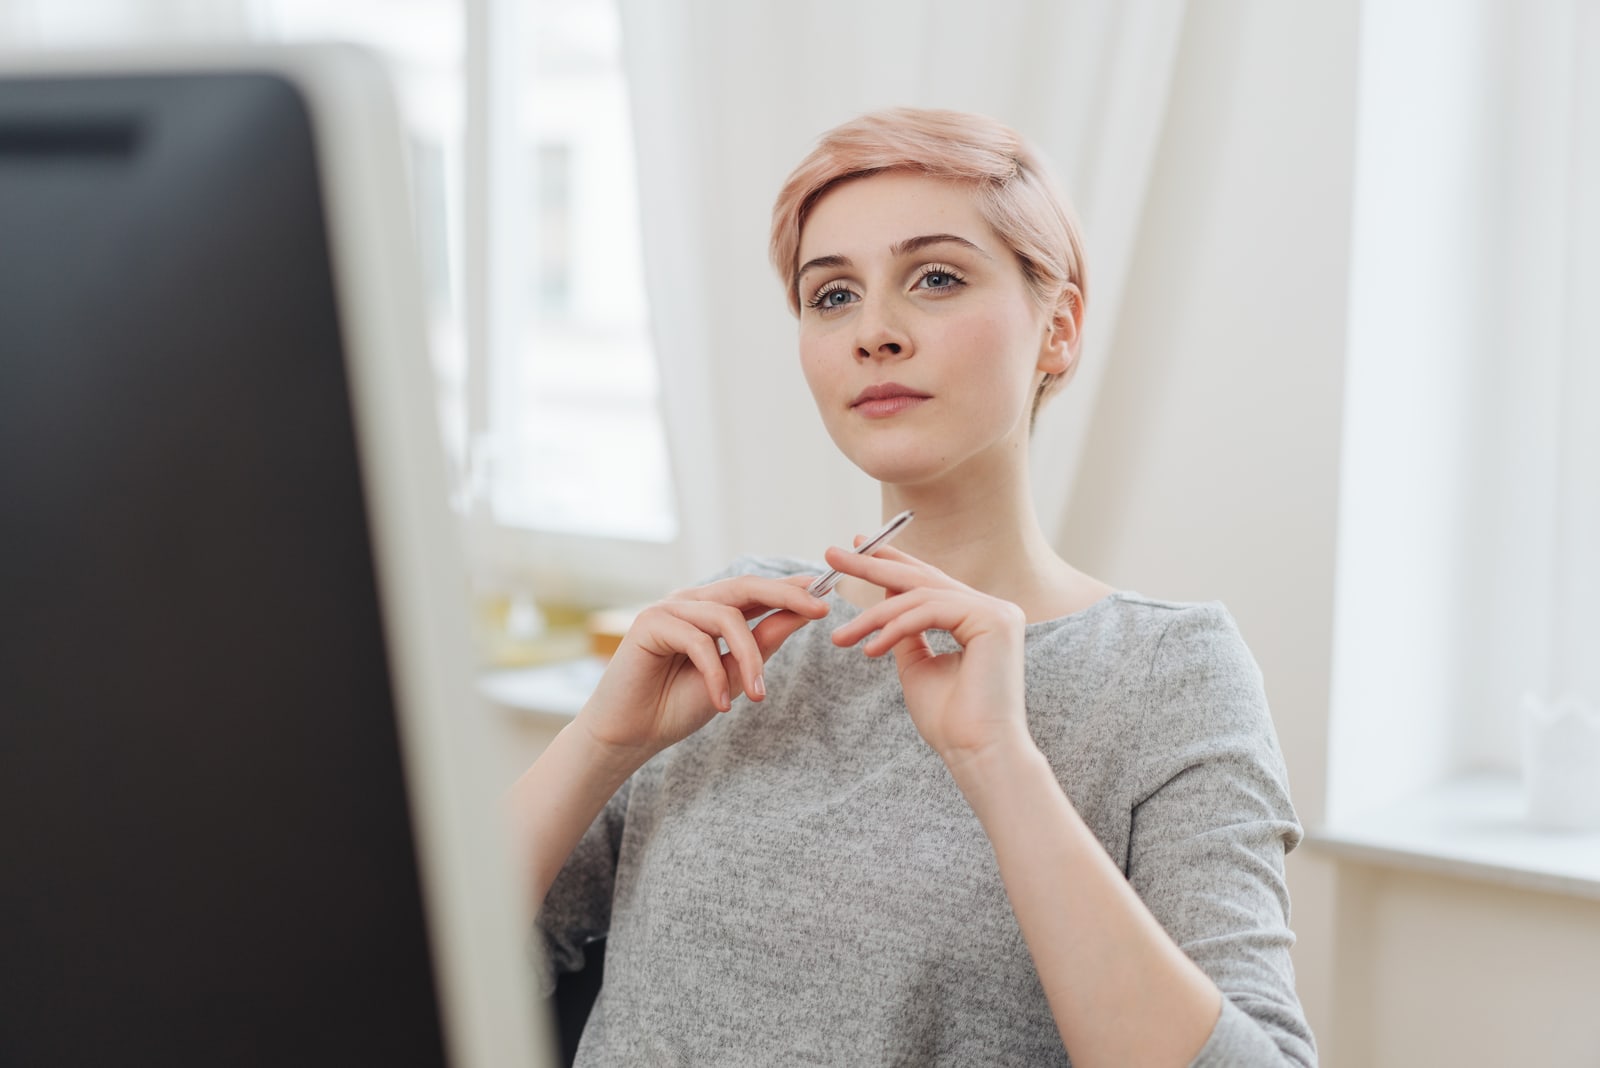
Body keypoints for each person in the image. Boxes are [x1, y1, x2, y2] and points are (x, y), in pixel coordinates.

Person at [511, 107, 1316, 1067]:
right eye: (832, 295)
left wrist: (998, 762)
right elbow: (414, 969)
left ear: (1057, 328)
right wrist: (600, 744)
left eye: (935, 278)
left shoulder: (1168, 675)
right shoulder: (730, 629)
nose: (876, 333)